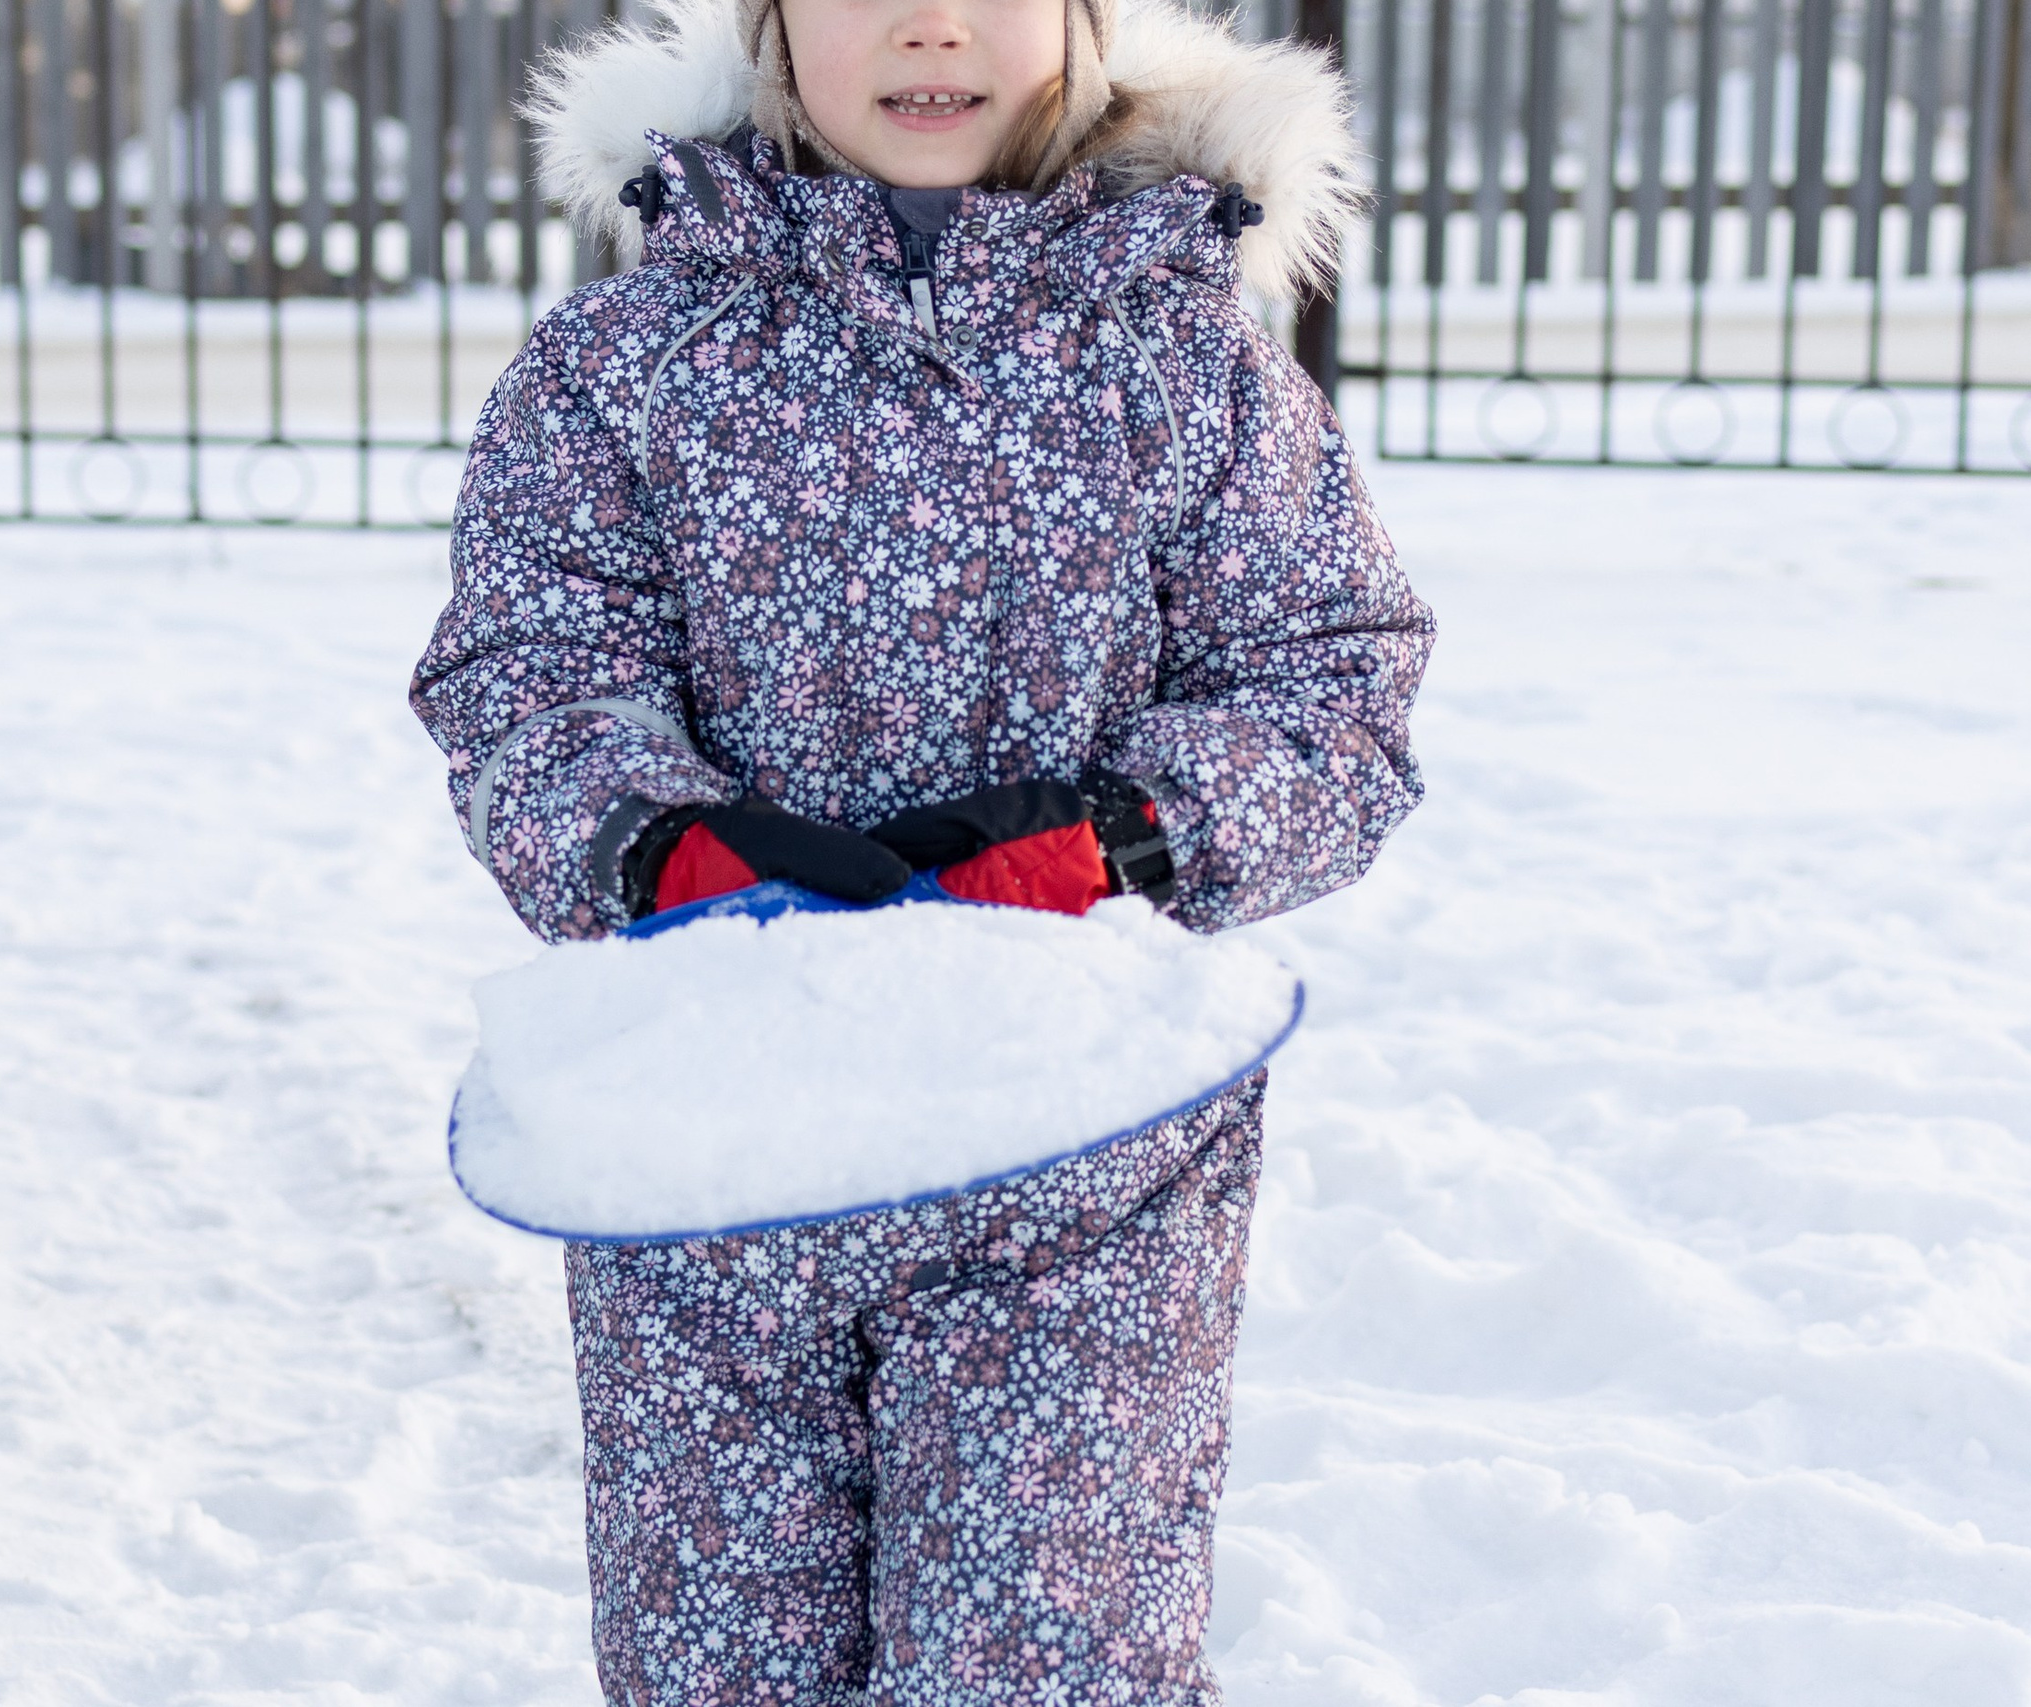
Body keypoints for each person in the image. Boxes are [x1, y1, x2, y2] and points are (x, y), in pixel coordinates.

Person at [410, 0, 1433, 1691]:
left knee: (1037, 1657)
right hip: (715, 1154)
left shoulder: (1185, 362)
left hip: (1076, 1157)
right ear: (772, 26)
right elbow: (532, 671)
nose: (930, 23)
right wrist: (650, 845)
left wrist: (1128, 839)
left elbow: (1327, 688)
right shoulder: (620, 368)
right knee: (723, 1656)